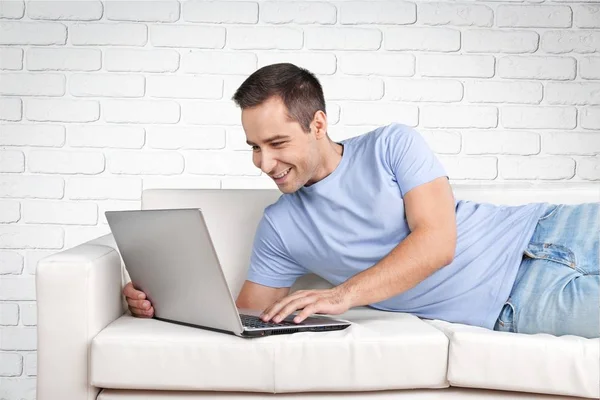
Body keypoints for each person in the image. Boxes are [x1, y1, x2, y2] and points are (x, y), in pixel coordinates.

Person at [123, 63, 600, 339]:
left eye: (277, 143)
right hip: (515, 303)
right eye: (254, 147)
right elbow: (244, 316)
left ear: (317, 124)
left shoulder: (392, 145)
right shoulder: (280, 228)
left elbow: (437, 242)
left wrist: (342, 295)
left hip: (547, 227)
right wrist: (161, 305)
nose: (264, 164)